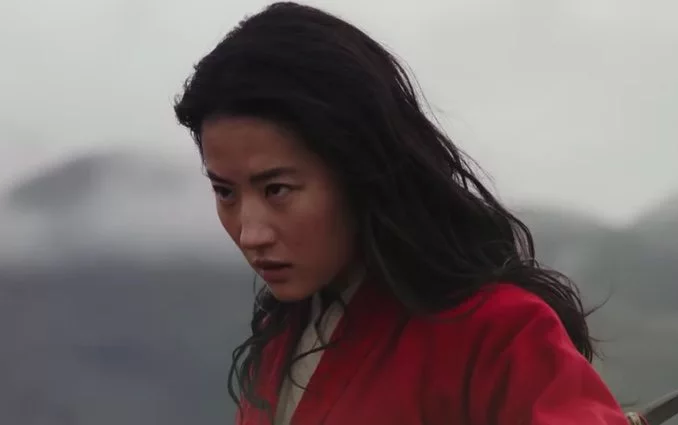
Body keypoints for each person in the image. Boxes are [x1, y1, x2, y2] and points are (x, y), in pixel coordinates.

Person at [173, 2, 627, 424]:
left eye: (277, 190)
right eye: (224, 192)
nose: (250, 233)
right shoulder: (281, 338)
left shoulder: (497, 333)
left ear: (358, 168)